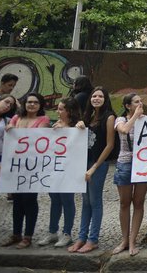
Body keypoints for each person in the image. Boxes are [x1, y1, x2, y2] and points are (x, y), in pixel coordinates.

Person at [69, 86, 116, 253]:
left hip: (98, 164)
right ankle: (82, 237)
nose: (97, 98)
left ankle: (93, 239)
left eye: (100, 96)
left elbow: (110, 145)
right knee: (85, 201)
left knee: (95, 202)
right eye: (94, 96)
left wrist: (95, 167)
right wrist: (79, 125)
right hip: (84, 162)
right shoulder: (87, 116)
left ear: (105, 99)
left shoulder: (109, 117)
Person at [3, 92, 50, 248]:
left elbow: (38, 137)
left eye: (35, 102)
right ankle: (16, 234)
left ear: (40, 105)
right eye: (29, 102)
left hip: (33, 166)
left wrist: (15, 131)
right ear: (24, 104)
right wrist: (10, 128)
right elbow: (10, 132)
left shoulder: (43, 120)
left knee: (29, 200)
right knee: (17, 201)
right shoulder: (17, 118)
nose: (32, 105)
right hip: (17, 166)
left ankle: (28, 236)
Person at [38, 97, 82, 248]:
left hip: (70, 169)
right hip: (55, 168)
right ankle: (52, 231)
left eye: (61, 109)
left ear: (69, 111)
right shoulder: (55, 125)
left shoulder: (78, 126)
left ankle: (67, 233)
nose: (58, 111)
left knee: (67, 200)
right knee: (55, 199)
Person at [111, 94, 147, 256]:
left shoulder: (146, 120)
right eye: (136, 102)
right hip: (125, 163)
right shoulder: (121, 120)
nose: (140, 104)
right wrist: (135, 116)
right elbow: (124, 130)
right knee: (124, 203)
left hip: (143, 164)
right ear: (128, 106)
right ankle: (124, 240)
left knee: (138, 202)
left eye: (141, 101)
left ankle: (133, 240)